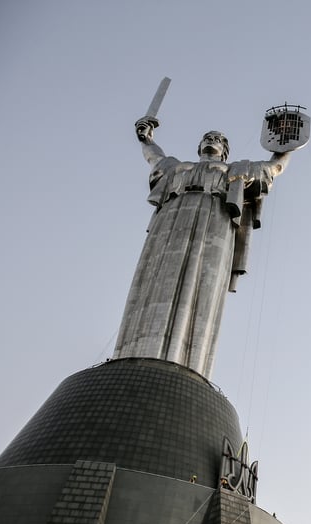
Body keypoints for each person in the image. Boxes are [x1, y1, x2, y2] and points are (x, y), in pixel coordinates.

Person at [113, 118, 290, 378]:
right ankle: (133, 355)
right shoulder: (177, 167)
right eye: (208, 137)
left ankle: (188, 365)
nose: (211, 140)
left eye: (218, 139)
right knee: (156, 278)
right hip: (172, 219)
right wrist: (146, 139)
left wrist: (286, 147)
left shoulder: (236, 169)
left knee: (202, 281)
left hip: (214, 219)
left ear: (225, 150)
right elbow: (155, 158)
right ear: (199, 146)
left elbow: (273, 168)